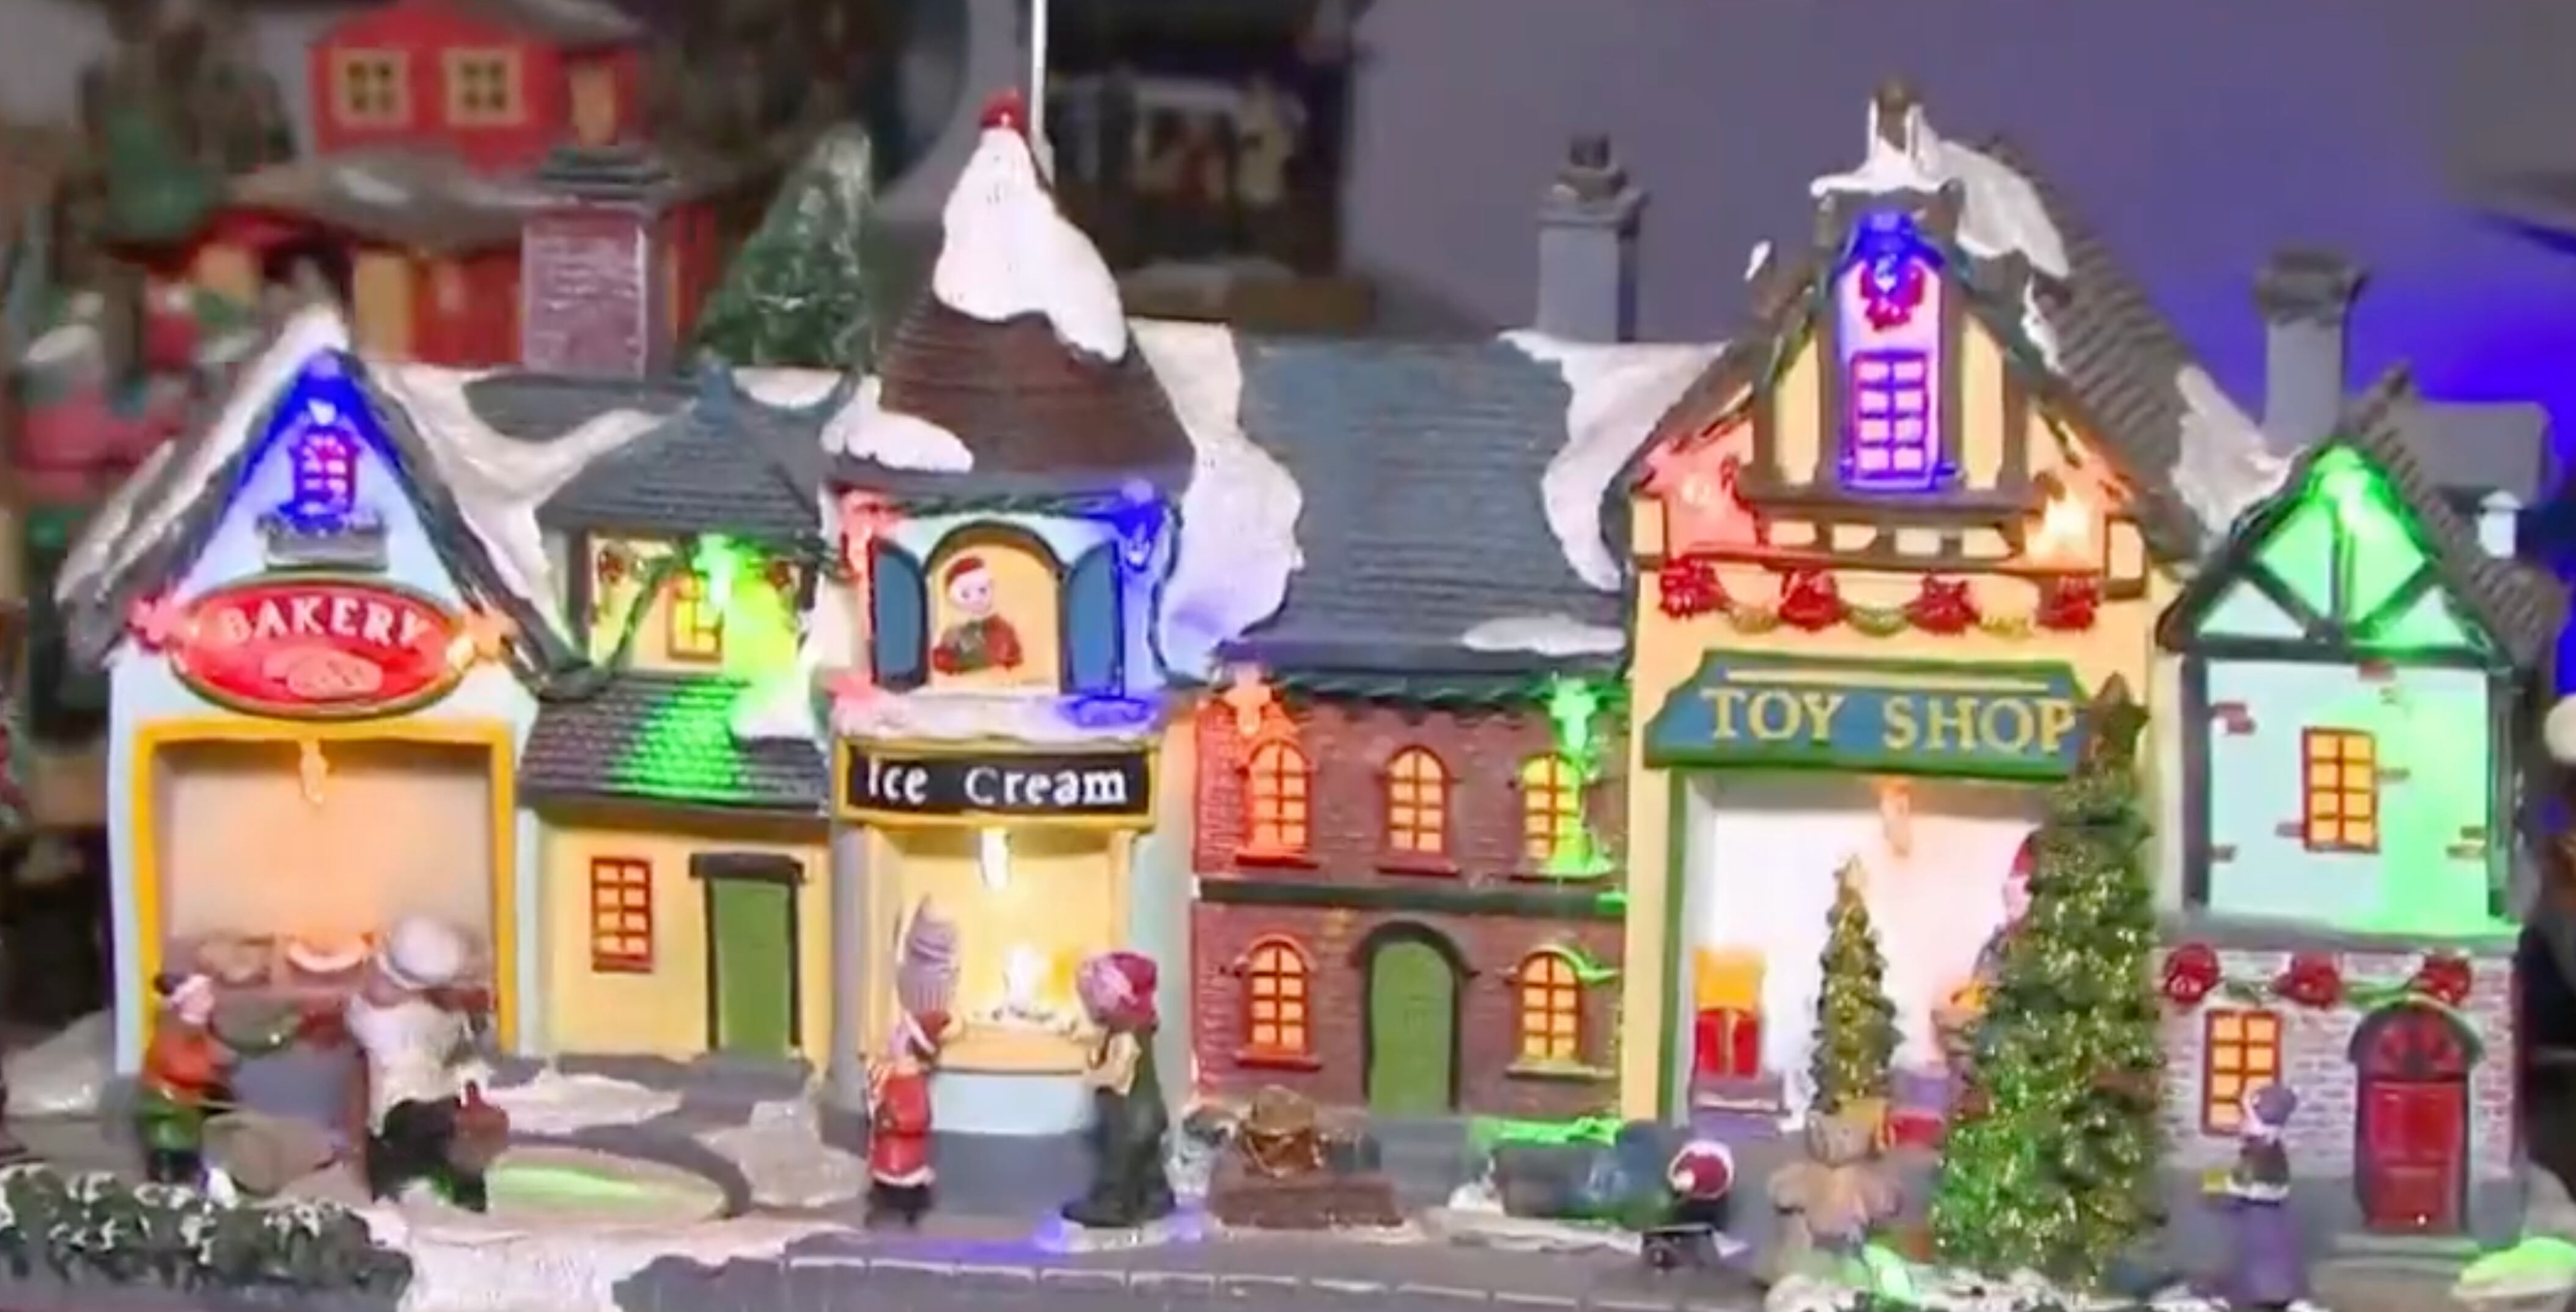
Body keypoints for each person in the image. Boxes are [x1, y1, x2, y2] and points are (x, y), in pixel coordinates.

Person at [345, 917, 475, 1200]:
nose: (372, 977)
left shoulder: (380, 1017)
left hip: (405, 1111)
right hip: (419, 1105)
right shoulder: (430, 1017)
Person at [2207, 1083, 2309, 1310]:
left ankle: (2274, 1294)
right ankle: (2252, 1293)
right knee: (2250, 1253)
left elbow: (2257, 1177)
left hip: (2262, 1208)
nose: (2242, 1124)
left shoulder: (2266, 1145)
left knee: (2263, 1252)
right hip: (2254, 1209)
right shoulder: (2258, 1147)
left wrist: (2247, 1104)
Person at [136, 971, 229, 1184]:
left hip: (186, 1103)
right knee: (171, 1149)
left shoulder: (196, 1030)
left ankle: (188, 1176)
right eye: (203, 997)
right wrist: (210, 1073)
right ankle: (167, 1180)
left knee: (190, 1147)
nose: (209, 1002)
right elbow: (176, 1065)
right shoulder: (174, 1028)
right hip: (167, 1104)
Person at [929, 556, 1023, 675]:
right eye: (966, 594)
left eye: (982, 591)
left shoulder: (999, 626)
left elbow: (1011, 656)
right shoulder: (953, 632)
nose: (976, 600)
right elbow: (941, 662)